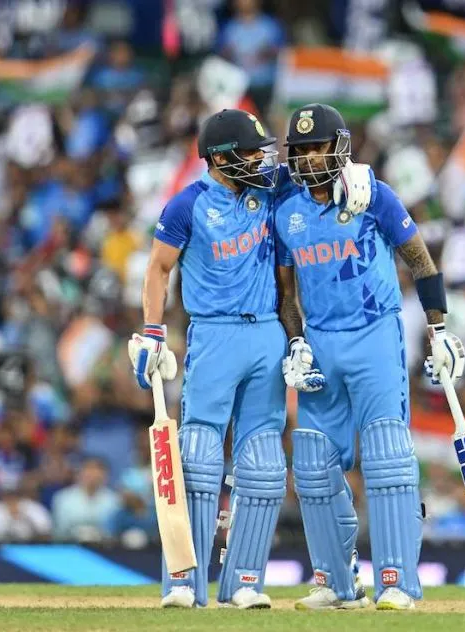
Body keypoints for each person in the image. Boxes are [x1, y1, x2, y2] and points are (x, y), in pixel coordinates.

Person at [129, 108, 372, 609]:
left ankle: (243, 581)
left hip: (267, 332)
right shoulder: (187, 205)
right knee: (197, 460)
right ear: (220, 158)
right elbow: (158, 268)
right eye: (251, 152)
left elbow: (320, 166)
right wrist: (153, 331)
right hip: (213, 335)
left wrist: (362, 176)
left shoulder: (271, 187)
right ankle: (183, 581)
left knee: (262, 465)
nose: (264, 160)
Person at [272, 103, 465, 610]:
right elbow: (286, 294)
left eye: (318, 147)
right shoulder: (284, 209)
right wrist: (294, 340)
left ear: (339, 147)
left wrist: (439, 329)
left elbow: (420, 260)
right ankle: (335, 583)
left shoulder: (371, 194)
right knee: (313, 466)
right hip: (320, 342)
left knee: (387, 458)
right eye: (301, 150)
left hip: (375, 335)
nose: (311, 158)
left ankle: (397, 581)